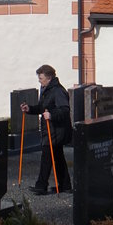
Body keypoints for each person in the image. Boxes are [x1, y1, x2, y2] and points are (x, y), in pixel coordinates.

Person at [20, 65, 71, 194]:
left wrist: (51, 115)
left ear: (49, 78)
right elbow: (42, 108)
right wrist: (30, 109)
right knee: (58, 157)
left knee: (47, 158)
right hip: (51, 130)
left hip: (55, 131)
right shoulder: (46, 90)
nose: (39, 80)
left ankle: (41, 186)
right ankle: (65, 185)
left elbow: (65, 110)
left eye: (41, 78)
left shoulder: (58, 91)